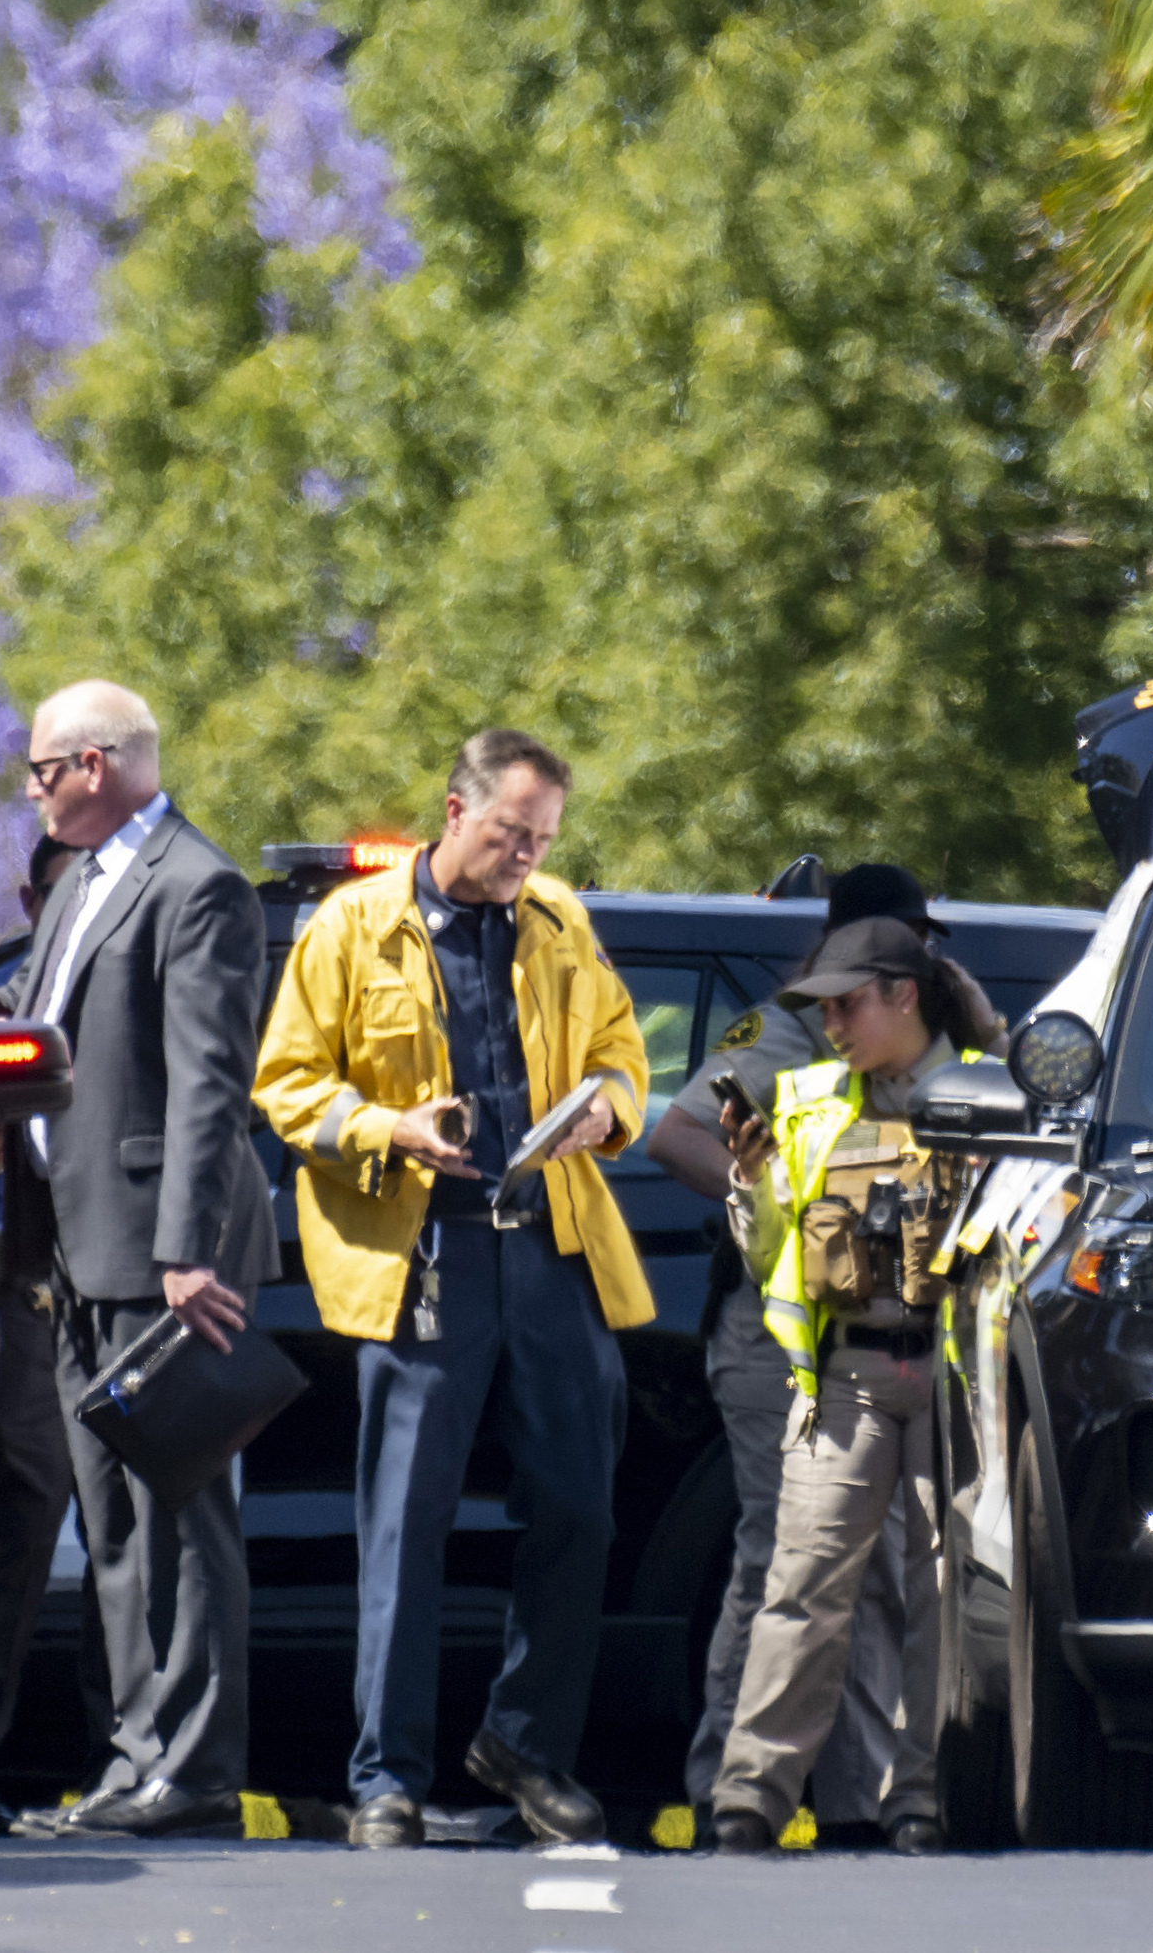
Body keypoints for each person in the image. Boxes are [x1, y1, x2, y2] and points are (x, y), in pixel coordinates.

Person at [252, 729, 651, 1850]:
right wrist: (390, 1128)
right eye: (510, 832)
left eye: (543, 838)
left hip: (551, 1243)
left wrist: (611, 1107)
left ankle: (526, 1745)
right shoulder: (351, 926)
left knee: (578, 1507)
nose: (528, 854)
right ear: (454, 810)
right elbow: (287, 1086)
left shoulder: (561, 918)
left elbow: (622, 1049)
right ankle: (388, 1777)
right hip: (426, 1253)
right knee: (405, 1524)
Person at [649, 864, 1003, 1845]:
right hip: (818, 1357)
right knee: (795, 1573)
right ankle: (740, 1794)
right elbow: (716, 1182)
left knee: (924, 1582)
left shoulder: (977, 1083)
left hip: (938, 1363)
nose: (837, 1019)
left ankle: (895, 1803)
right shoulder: (796, 1064)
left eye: (855, 1000)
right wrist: (769, 1197)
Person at [2, 681, 276, 1840]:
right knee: (112, 1526)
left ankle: (198, 1768)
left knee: (183, 1516)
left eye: (40, 770)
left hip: (162, 1256)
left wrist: (185, 1252)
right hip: (76, 1246)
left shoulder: (195, 884)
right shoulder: (86, 884)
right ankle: (134, 1756)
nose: (30, 789)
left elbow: (213, 1081)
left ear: (98, 762)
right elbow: (38, 1031)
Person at [0, 834, 90, 1807]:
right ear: (30, 897)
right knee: (22, 1495)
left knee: (135, 1516)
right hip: (18, 1284)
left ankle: (131, 1751)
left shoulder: (141, 975)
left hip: (132, 1280)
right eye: (66, 890)